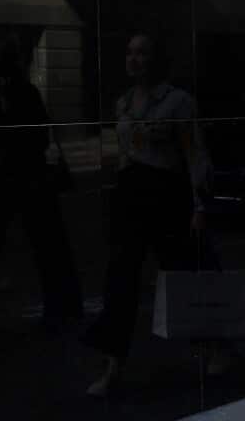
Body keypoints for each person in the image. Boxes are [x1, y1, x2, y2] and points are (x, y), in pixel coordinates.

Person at [83, 33, 211, 396]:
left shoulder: (178, 102)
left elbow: (194, 154)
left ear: (157, 60)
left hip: (165, 193)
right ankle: (113, 364)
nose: (134, 59)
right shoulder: (123, 103)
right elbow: (123, 154)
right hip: (131, 193)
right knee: (120, 279)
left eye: (142, 53)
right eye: (130, 52)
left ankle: (215, 344)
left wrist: (199, 204)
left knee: (182, 272)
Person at [0, 40, 83, 330]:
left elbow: (28, 136)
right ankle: (63, 306)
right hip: (27, 176)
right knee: (46, 245)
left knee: (2, 242)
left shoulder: (12, 93)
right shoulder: (13, 92)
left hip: (22, 175)